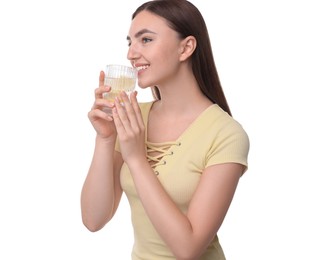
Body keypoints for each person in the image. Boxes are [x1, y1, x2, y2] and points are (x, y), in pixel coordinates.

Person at [81, 0, 250, 259]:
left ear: (186, 47)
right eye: (130, 42)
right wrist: (105, 138)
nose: (131, 54)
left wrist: (137, 159)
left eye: (145, 40)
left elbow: (189, 248)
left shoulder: (226, 134)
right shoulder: (133, 118)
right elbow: (94, 220)